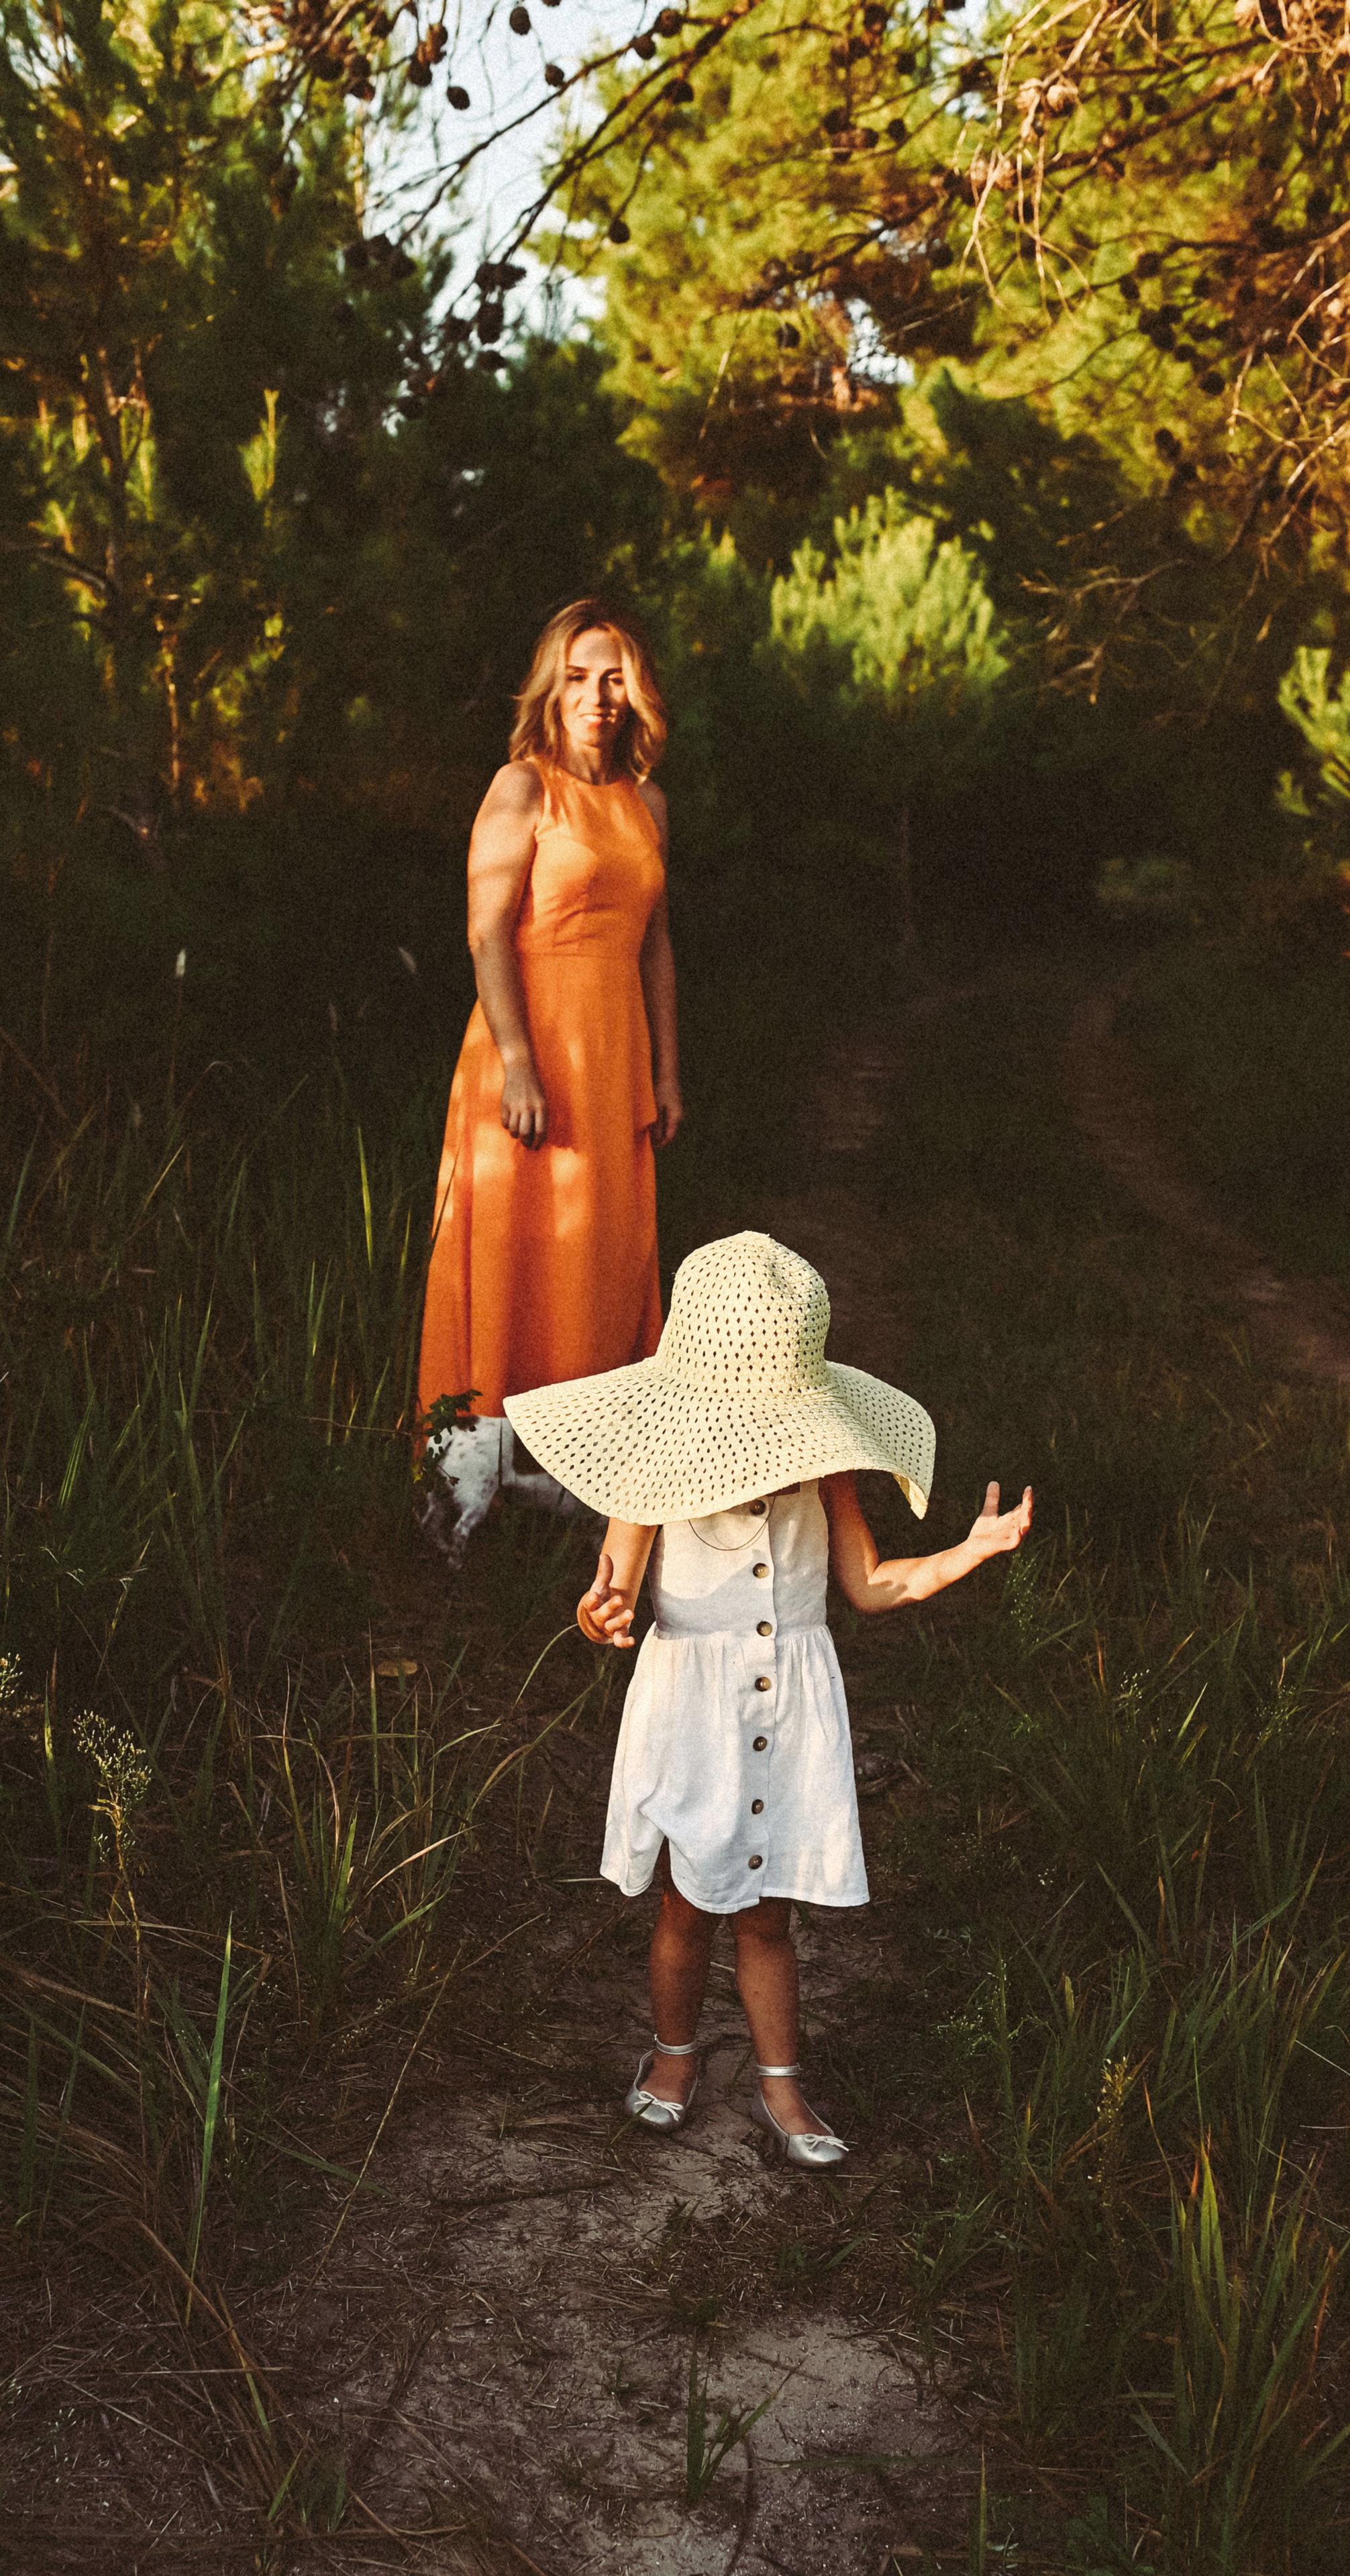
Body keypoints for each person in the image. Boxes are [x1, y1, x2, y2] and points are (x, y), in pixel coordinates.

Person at [504, 1230, 1032, 2167]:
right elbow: (610, 1590)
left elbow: (869, 1586)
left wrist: (967, 1552)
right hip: (694, 1715)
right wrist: (601, 1615)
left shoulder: (822, 1474)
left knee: (767, 1916)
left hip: (788, 1715)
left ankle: (783, 2083)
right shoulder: (656, 1470)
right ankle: (672, 2056)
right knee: (684, 1904)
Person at [417, 600, 684, 1560]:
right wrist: (520, 1062)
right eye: (577, 677)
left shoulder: (646, 804)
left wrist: (668, 1071)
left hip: (615, 1060)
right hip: (525, 1051)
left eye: (613, 678)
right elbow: (488, 930)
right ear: (550, 688)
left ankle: (588, 1483)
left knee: (605, 1260)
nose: (596, 698)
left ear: (636, 692)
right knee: (512, 1260)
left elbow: (656, 947)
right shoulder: (521, 790)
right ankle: (465, 1490)